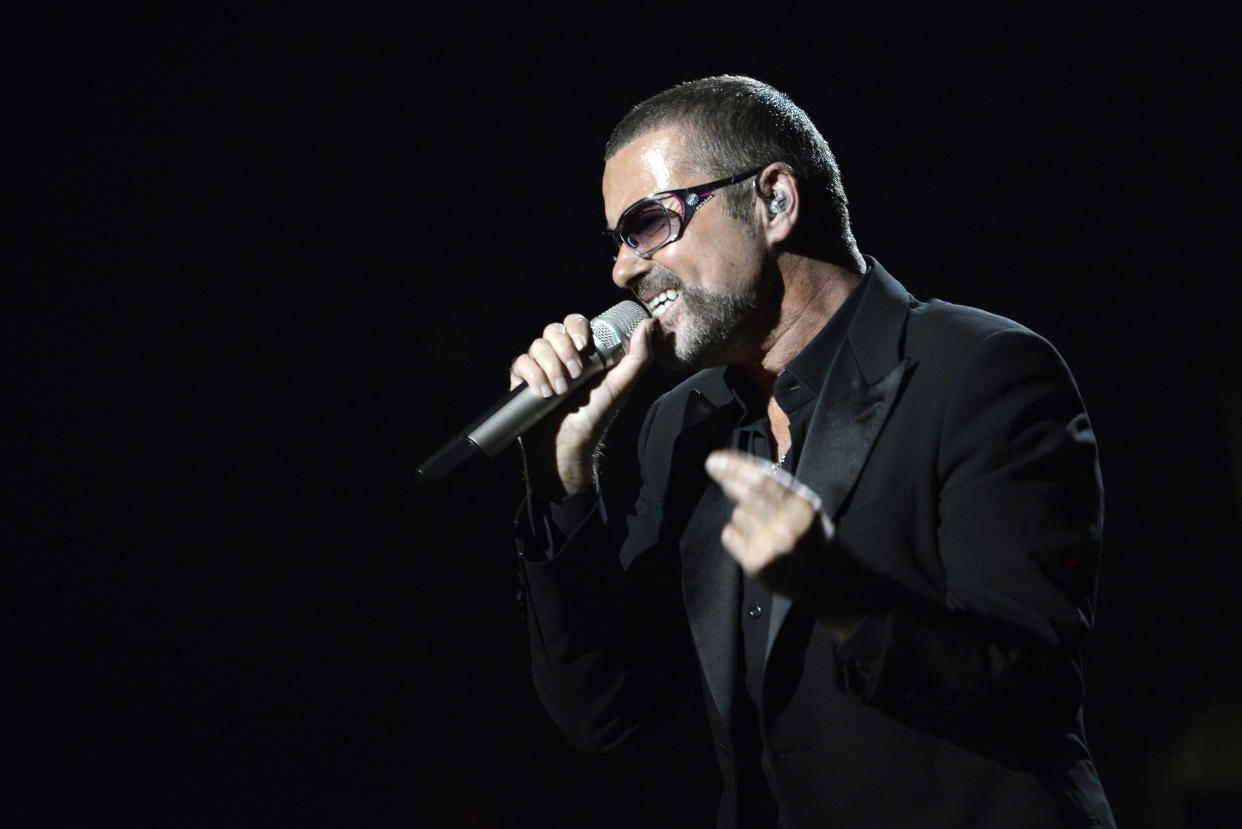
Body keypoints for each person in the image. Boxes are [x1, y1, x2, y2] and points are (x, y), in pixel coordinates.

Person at [507, 75, 1115, 828]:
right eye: (616, 240)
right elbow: (604, 713)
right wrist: (563, 479)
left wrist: (843, 596)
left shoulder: (981, 371)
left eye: (648, 224)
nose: (623, 268)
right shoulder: (684, 425)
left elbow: (1029, 683)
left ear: (775, 202)